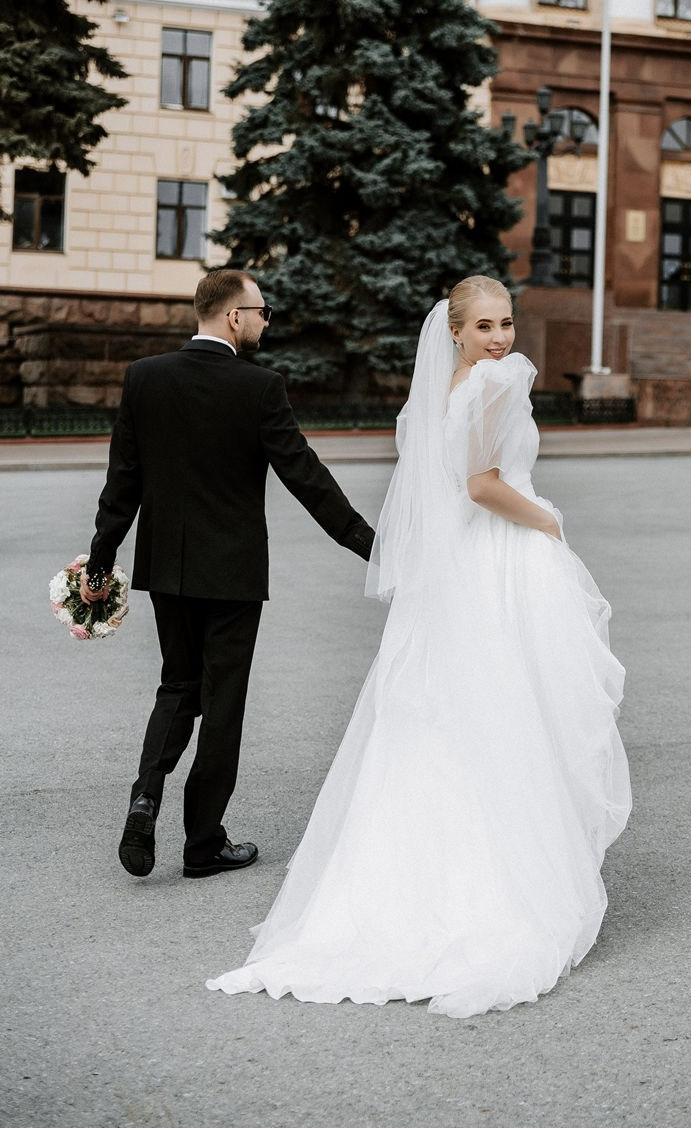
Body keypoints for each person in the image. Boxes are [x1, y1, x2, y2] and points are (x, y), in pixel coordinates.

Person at [207, 275, 631, 1017]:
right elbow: (481, 485)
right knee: (508, 707)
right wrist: (547, 523)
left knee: (440, 711)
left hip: (457, 569)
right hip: (497, 553)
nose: (502, 338)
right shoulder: (496, 385)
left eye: (507, 324)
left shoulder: (447, 390)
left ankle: (400, 876)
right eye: (486, 326)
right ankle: (505, 876)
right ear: (456, 333)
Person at [81, 268, 376, 880]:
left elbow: (123, 483)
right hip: (234, 574)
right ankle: (203, 843)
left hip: (166, 567)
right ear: (233, 316)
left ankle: (145, 794)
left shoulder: (144, 378)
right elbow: (306, 478)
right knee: (222, 704)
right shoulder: (259, 387)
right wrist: (373, 546)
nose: (267, 322)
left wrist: (102, 560)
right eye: (262, 312)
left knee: (176, 686)